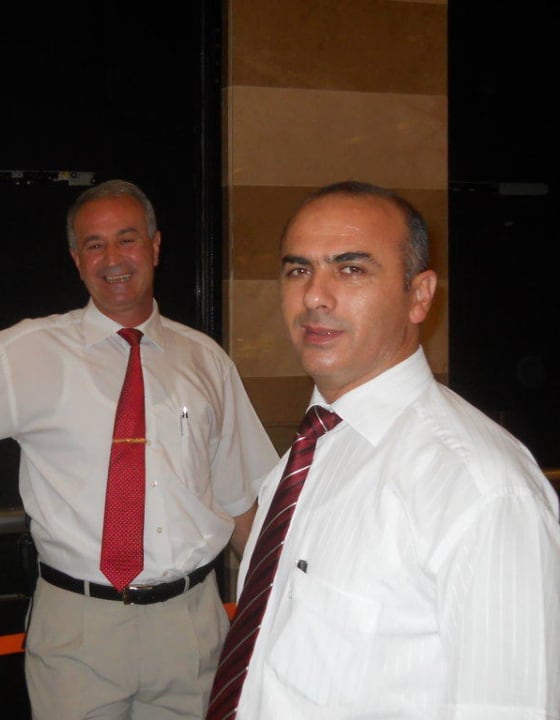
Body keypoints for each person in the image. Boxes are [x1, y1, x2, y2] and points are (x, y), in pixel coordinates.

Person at [0, 179, 278, 719]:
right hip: (79, 628)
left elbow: (241, 502)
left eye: (127, 239)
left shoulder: (205, 360)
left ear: (155, 246)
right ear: (76, 259)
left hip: (192, 624)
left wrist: (280, 601)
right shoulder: (27, 354)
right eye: (95, 245)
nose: (112, 259)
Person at [207, 180, 560, 720]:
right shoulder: (305, 456)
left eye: (351, 269)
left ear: (419, 296)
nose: (314, 296)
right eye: (298, 270)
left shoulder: (482, 490)